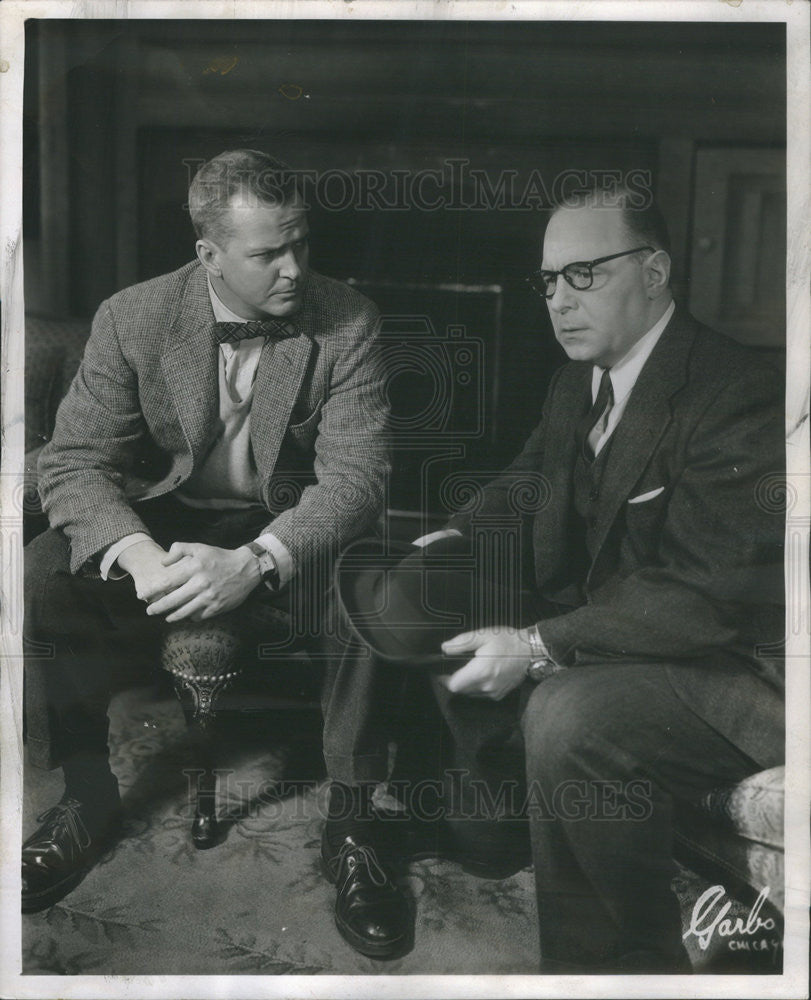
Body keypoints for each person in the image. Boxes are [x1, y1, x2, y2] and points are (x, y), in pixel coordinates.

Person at [319, 186, 785, 970]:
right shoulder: (578, 378)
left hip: (723, 670)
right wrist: (455, 537)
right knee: (410, 585)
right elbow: (526, 481)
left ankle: (614, 973)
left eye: (583, 275)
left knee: (567, 709)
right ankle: (466, 823)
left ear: (655, 271)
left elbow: (705, 598)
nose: (558, 302)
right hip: (617, 625)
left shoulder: (733, 391)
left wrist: (536, 644)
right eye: (547, 281)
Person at [21, 149, 390, 915]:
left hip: (284, 522)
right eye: (267, 253)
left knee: (370, 583)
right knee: (43, 571)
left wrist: (257, 560)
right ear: (208, 255)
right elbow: (73, 463)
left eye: (301, 243)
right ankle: (87, 794)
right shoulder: (134, 316)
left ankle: (353, 819)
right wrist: (138, 555)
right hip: (162, 520)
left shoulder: (347, 318)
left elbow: (356, 481)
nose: (293, 268)